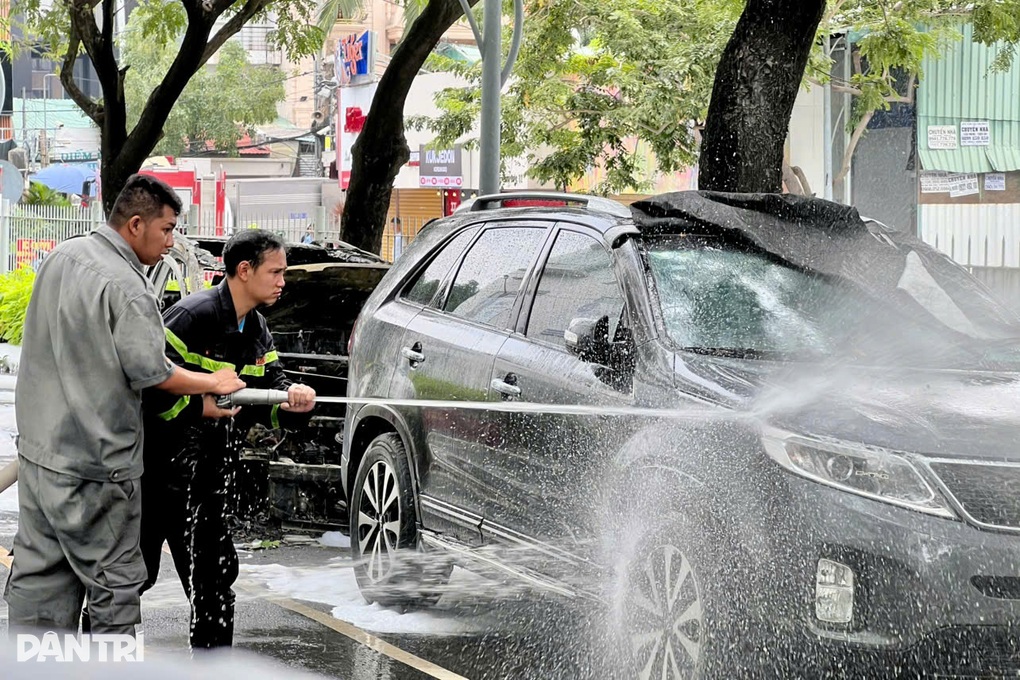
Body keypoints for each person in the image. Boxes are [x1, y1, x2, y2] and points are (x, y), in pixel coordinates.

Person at [4, 174, 246, 638]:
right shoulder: (128, 286)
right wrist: (210, 380)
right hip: (99, 473)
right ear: (136, 224)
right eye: (167, 229)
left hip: (40, 461)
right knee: (114, 596)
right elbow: (153, 372)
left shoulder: (61, 257)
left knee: (39, 591)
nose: (171, 242)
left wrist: (198, 405)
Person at [141, 228, 316, 650]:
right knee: (130, 579)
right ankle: (86, 663)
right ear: (243, 270)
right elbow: (143, 390)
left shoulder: (257, 329)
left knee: (215, 587)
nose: (282, 281)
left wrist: (294, 402)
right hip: (152, 479)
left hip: (206, 484)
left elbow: (271, 389)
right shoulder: (190, 317)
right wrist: (197, 407)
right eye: (275, 271)